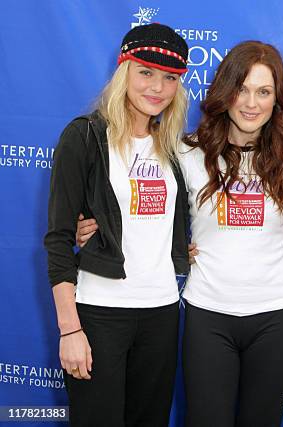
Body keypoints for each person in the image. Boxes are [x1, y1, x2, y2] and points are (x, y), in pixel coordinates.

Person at [44, 23, 190, 427]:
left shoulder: (175, 148)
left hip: (161, 312)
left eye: (170, 78)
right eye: (146, 72)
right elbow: (58, 239)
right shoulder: (85, 136)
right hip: (99, 314)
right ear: (124, 70)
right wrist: (69, 330)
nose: (157, 87)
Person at [178, 41, 283, 427]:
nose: (251, 103)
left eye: (264, 91)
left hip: (276, 316)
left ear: (277, 99)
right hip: (209, 313)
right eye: (242, 89)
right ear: (225, 92)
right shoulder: (188, 153)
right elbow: (150, 220)